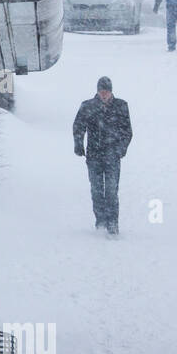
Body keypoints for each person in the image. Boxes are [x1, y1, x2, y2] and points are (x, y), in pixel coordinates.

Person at [72, 76, 133, 236]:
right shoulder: (88, 106)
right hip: (94, 156)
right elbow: (78, 126)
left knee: (112, 191)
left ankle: (112, 223)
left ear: (111, 92)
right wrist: (78, 143)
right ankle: (101, 221)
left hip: (113, 156)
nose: (104, 94)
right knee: (97, 190)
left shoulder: (121, 106)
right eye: (101, 91)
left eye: (106, 91)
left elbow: (127, 131)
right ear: (97, 91)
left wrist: (121, 149)